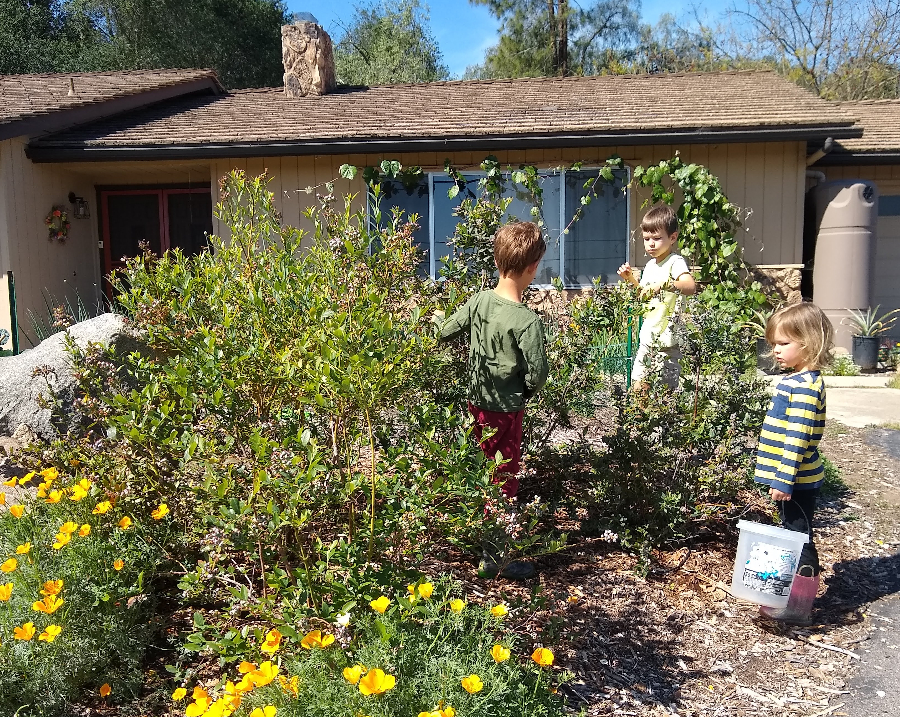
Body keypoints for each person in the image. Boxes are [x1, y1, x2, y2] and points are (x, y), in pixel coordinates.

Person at [439, 221, 549, 580]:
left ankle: (473, 537)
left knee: (479, 470)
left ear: (497, 259)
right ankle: (494, 557)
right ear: (533, 267)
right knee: (504, 479)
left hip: (476, 404)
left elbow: (445, 330)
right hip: (506, 412)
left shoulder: (479, 301)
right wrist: (524, 394)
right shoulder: (526, 321)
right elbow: (537, 375)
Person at [754, 302, 833, 624]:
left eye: (783, 343)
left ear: (809, 343)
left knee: (798, 538)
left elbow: (798, 437)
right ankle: (794, 596)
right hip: (795, 478)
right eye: (774, 343)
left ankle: (798, 606)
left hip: (796, 481)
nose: (775, 350)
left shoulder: (803, 388)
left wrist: (783, 479)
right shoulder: (801, 381)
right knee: (794, 532)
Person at [617, 205, 696, 388]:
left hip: (667, 343)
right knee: (639, 389)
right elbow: (643, 296)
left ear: (673, 237)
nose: (651, 243)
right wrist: (630, 279)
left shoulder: (675, 263)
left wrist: (664, 285)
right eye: (646, 239)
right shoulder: (650, 266)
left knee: (664, 398)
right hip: (647, 340)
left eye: (657, 238)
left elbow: (690, 286)